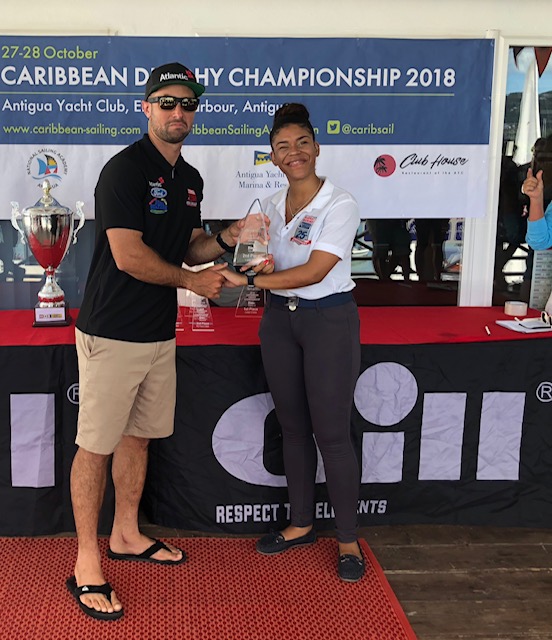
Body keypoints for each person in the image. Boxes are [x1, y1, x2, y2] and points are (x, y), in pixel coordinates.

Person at [66, 61, 271, 621]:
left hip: (159, 332)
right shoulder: (124, 170)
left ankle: (126, 535)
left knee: (138, 440)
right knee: (96, 446)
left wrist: (228, 237)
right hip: (112, 331)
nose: (178, 112)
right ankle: (86, 560)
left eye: (187, 104)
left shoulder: (190, 178)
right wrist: (191, 283)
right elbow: (129, 256)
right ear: (147, 108)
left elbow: (189, 244)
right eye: (167, 102)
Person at [222, 103, 365, 583]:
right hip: (279, 322)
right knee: (293, 429)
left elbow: (316, 271)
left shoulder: (339, 203)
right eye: (283, 146)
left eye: (302, 142)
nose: (294, 152)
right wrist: (250, 264)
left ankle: (348, 540)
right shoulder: (266, 206)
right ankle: (301, 523)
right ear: (273, 156)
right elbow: (254, 259)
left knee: (332, 434)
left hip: (328, 320)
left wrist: (250, 281)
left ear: (316, 148)